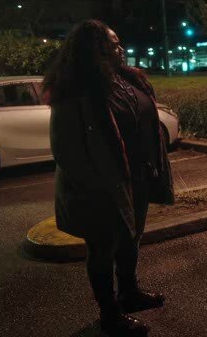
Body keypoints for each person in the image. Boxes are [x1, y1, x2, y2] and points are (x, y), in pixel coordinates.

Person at [43, 19, 174, 337]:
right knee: (102, 249)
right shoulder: (74, 93)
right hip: (101, 188)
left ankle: (129, 293)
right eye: (114, 45)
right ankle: (110, 315)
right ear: (95, 50)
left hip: (136, 180)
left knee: (131, 239)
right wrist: (100, 187)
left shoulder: (127, 79)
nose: (121, 49)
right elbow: (66, 152)